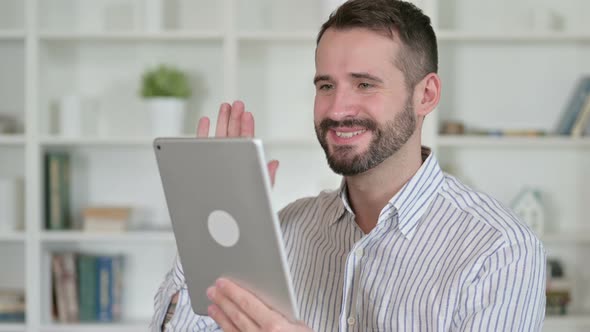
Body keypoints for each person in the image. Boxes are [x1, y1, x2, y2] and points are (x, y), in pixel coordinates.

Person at [150, 0, 546, 331]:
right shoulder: (283, 233)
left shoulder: (499, 251)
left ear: (425, 94)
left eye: (365, 84)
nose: (337, 109)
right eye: (326, 86)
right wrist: (207, 230)